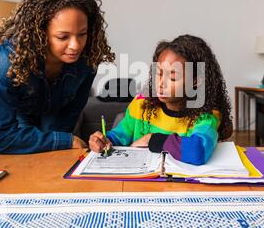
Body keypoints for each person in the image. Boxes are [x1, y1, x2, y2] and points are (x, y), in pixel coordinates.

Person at [0, 0, 115, 154]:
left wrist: (63, 139)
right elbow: (1, 139)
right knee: (25, 156)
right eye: (62, 37)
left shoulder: (88, 58)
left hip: (55, 108)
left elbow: (70, 112)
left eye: (82, 34)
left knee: (56, 154)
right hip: (18, 109)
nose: (75, 46)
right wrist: (66, 140)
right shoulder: (7, 61)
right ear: (40, 34)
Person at [89, 34, 233, 165]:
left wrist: (151, 139)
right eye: (158, 73)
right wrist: (104, 140)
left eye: (173, 77)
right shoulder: (141, 103)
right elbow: (119, 136)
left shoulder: (207, 115)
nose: (161, 83)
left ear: (195, 81)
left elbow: (197, 151)